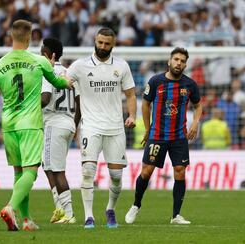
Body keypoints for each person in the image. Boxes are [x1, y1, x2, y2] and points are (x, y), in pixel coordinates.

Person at [0, 19, 73, 231]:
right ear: (29, 37)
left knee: (18, 174)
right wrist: (67, 81)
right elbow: (57, 83)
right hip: (30, 124)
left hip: (9, 125)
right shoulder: (40, 61)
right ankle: (10, 207)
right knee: (31, 173)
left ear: (11, 36)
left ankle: (26, 220)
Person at [67, 27, 137, 229]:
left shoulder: (122, 66)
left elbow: (131, 95)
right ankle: (89, 216)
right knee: (88, 171)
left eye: (107, 43)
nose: (103, 46)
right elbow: (63, 80)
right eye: (100, 42)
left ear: (113, 44)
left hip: (115, 128)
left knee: (116, 176)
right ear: (95, 41)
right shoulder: (81, 65)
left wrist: (132, 115)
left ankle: (110, 209)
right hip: (90, 126)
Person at [125, 47, 202, 225]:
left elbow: (198, 106)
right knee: (146, 171)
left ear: (185, 64)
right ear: (169, 61)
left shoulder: (190, 84)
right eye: (176, 59)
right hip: (157, 135)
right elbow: (145, 104)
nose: (178, 63)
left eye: (182, 61)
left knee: (180, 172)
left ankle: (175, 216)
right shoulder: (155, 81)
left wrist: (195, 123)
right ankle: (136, 205)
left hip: (179, 137)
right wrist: (147, 129)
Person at [41, 37, 80, 224]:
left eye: (42, 53)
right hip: (68, 123)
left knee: (57, 170)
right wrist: (76, 124)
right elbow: (79, 101)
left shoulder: (48, 71)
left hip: (53, 122)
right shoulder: (69, 73)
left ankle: (69, 213)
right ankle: (59, 208)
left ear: (50, 55)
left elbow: (45, 98)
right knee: (47, 166)